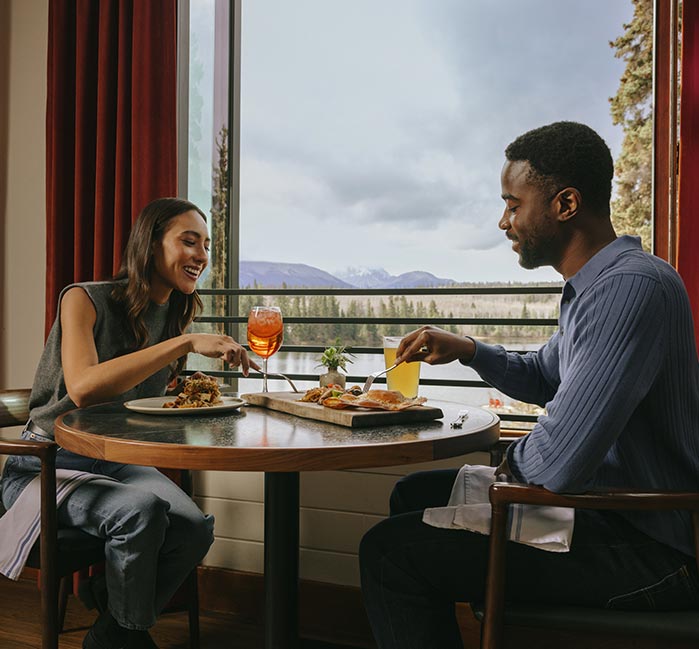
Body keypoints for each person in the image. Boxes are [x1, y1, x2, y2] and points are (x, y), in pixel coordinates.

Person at [359, 121, 699, 649]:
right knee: (411, 494)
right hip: (606, 513)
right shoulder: (597, 288)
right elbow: (545, 375)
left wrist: (499, 473)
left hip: (650, 548)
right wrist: (468, 349)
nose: (503, 220)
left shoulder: (631, 288)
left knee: (390, 555)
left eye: (513, 204)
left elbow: (561, 459)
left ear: (565, 204)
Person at [1, 197, 257, 649]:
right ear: (150, 244)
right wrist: (183, 344)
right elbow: (84, 388)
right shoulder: (82, 297)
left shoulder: (174, 311)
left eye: (207, 245)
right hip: (44, 463)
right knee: (140, 513)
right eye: (188, 241)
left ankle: (115, 627)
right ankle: (128, 633)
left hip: (113, 460)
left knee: (194, 528)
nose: (201, 254)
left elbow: (142, 400)